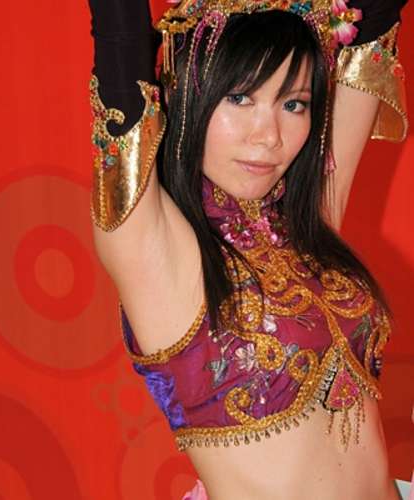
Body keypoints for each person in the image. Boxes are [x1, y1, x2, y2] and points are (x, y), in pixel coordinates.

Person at [87, 0, 409, 498]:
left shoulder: (309, 219)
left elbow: (376, 16)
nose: (269, 136)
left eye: (293, 104)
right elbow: (121, 49)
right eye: (239, 98)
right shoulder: (157, 250)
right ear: (184, 97)